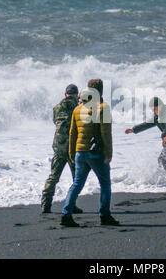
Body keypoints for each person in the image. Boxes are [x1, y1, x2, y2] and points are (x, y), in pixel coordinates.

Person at [60, 79, 120, 227]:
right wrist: (109, 154)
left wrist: (72, 153)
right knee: (105, 184)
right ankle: (104, 215)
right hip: (96, 153)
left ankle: (66, 214)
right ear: (101, 91)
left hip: (80, 152)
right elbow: (106, 133)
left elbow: (72, 133)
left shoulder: (78, 108)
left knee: (77, 184)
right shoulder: (103, 107)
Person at [41, 84, 83, 214]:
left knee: (53, 176)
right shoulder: (79, 108)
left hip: (59, 146)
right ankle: (71, 204)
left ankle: (45, 204)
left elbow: (56, 122)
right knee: (76, 179)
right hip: (72, 147)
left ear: (65, 94)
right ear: (77, 95)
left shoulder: (57, 108)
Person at [125, 97, 166, 172]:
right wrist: (133, 130)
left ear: (160, 106)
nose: (154, 111)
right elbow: (147, 124)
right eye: (152, 109)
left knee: (163, 158)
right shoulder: (157, 117)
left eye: (155, 109)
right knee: (161, 159)